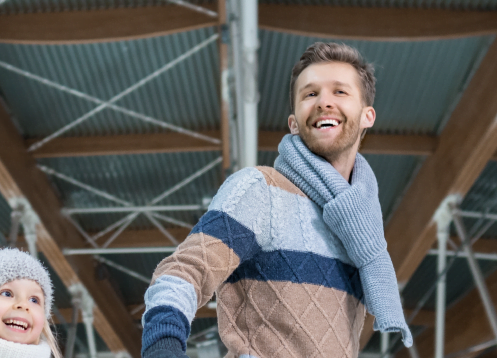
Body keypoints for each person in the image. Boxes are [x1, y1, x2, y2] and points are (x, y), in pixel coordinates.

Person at [140, 42, 412, 357]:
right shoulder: (261, 191)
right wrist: (163, 347)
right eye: (310, 94)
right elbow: (183, 271)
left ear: (367, 116)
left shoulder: (362, 234)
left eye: (340, 92)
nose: (324, 102)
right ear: (294, 123)